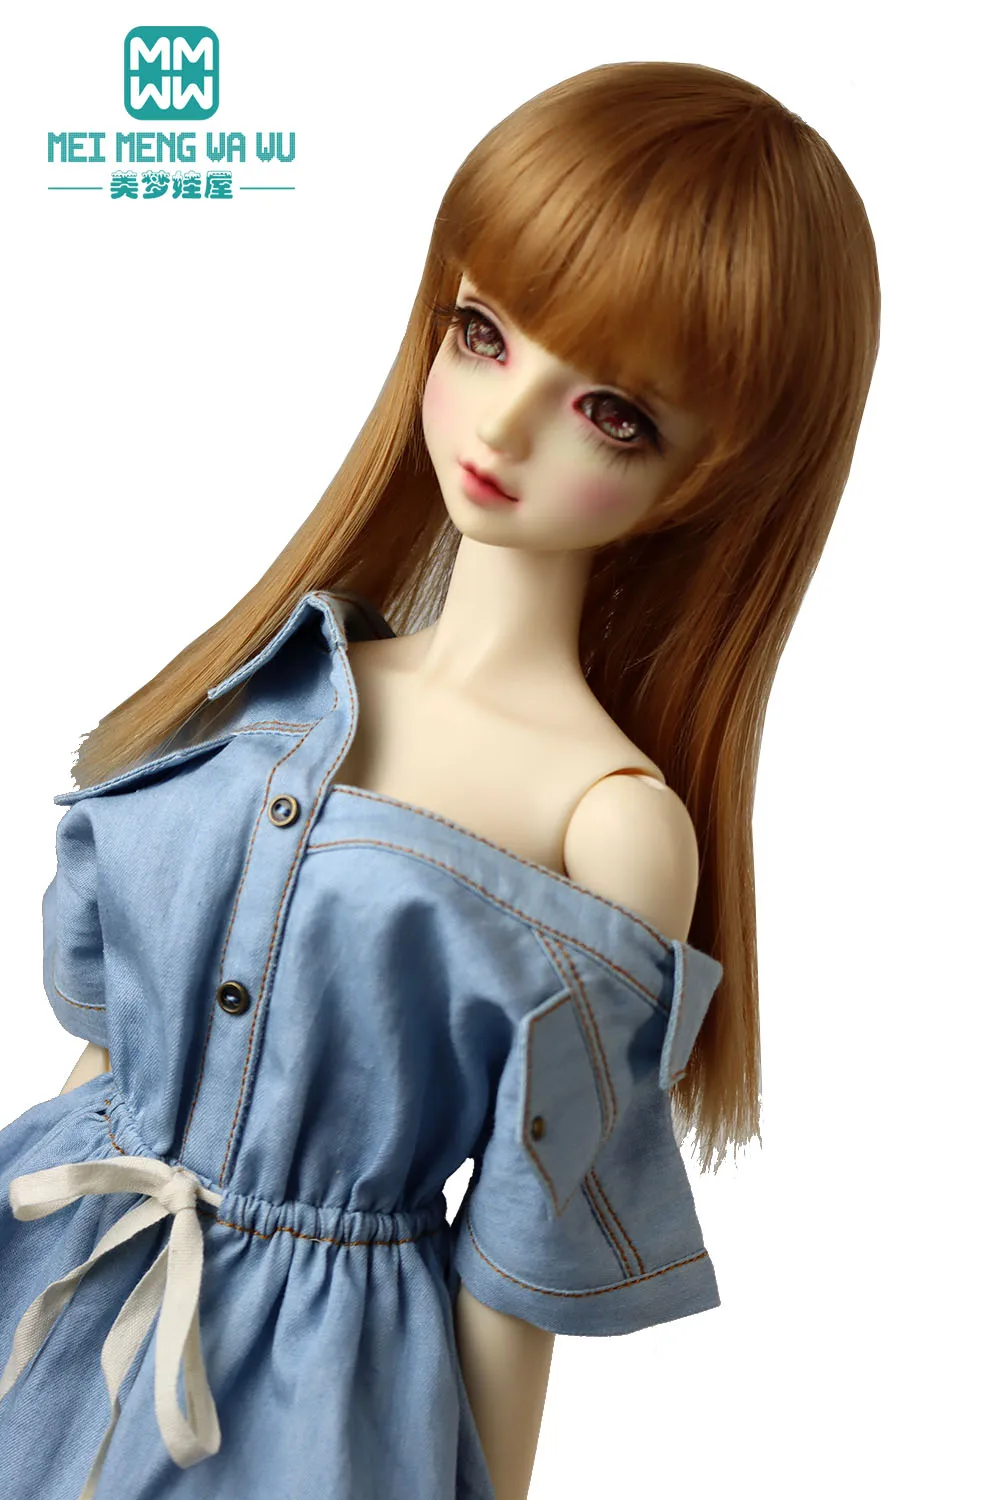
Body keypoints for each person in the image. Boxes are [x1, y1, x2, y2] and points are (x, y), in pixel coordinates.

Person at [0, 59, 880, 1500]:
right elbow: (107, 1068)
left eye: (612, 411)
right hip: (55, 1287)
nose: (504, 424)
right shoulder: (279, 678)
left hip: (304, 1404)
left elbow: (512, 1270)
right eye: (483, 332)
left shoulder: (610, 824)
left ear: (722, 476)